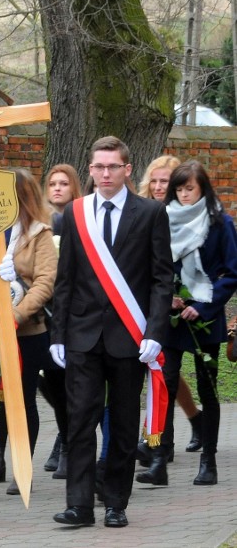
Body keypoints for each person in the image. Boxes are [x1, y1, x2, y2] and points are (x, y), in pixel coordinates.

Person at [50, 136, 172, 529]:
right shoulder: (75, 213)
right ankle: (79, 505)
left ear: (127, 170)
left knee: (121, 424)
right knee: (80, 420)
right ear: (90, 170)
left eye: (113, 167)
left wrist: (154, 330)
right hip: (82, 335)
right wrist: (57, 334)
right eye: (98, 167)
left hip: (129, 337)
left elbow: (161, 279)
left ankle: (116, 502)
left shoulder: (150, 213)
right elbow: (65, 279)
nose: (105, 174)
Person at [138, 161, 237, 487]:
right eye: (178, 189)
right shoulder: (162, 219)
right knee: (163, 382)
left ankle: (208, 460)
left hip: (205, 319)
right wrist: (167, 297)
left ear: (203, 189)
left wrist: (203, 305)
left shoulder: (219, 223)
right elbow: (153, 266)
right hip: (171, 318)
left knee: (208, 388)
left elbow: (231, 272)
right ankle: (159, 459)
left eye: (189, 189)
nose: (183, 195)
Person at [0, 169, 57, 496]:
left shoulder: (40, 233)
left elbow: (45, 282)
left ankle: (23, 466)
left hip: (27, 331)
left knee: (21, 400)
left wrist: (16, 315)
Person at [38, 163, 82, 476]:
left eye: (63, 183)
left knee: (68, 383)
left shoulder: (80, 219)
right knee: (49, 383)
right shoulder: (40, 222)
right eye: (52, 183)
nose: (57, 188)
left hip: (71, 312)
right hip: (41, 310)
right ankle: (64, 438)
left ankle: (69, 443)